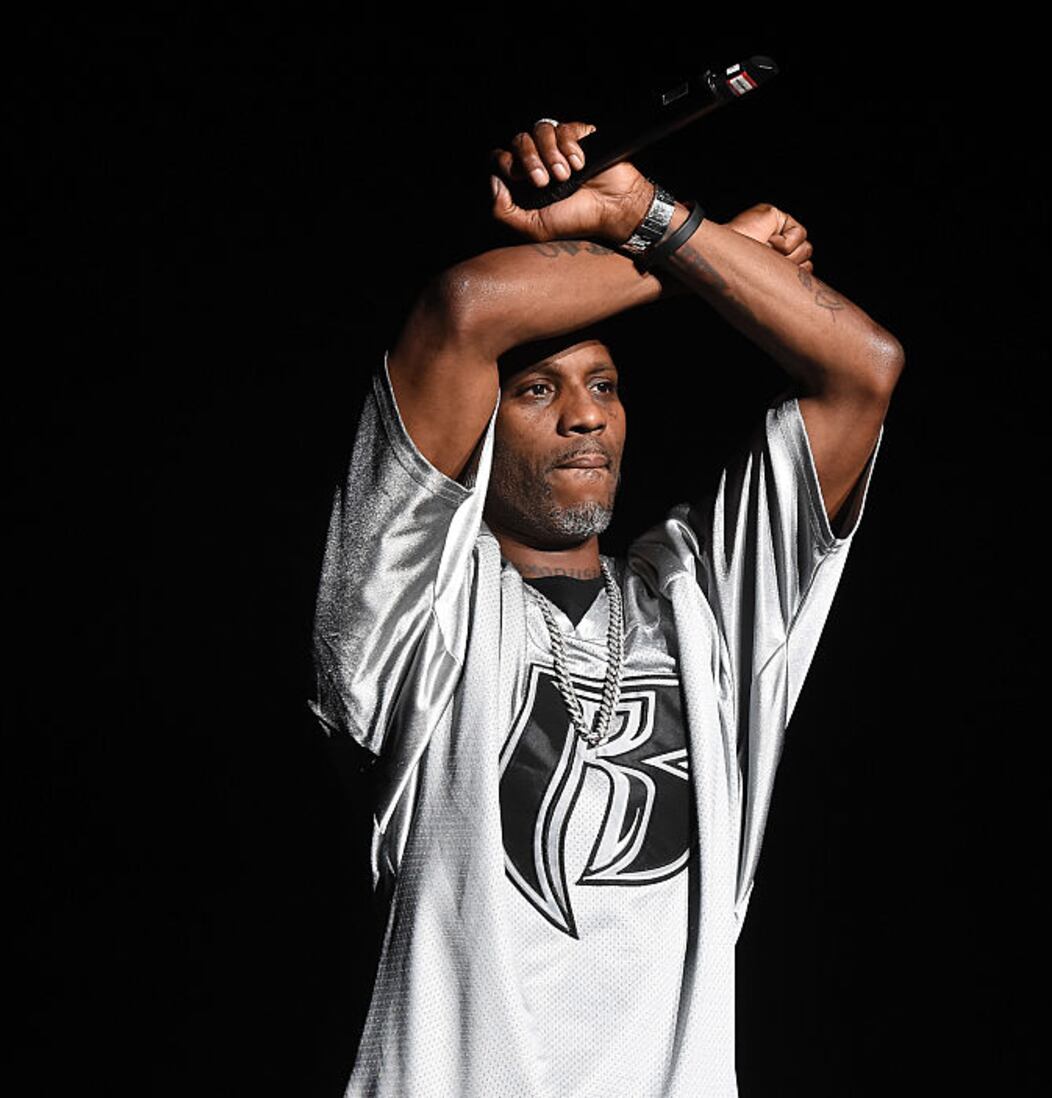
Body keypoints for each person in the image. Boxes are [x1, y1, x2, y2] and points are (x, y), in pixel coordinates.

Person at [307, 118, 903, 1097]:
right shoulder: (409, 612)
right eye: (538, 386)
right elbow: (463, 310)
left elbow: (861, 371)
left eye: (606, 385)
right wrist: (704, 251)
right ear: (482, 423)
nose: (585, 414)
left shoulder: (703, 604)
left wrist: (649, 216)